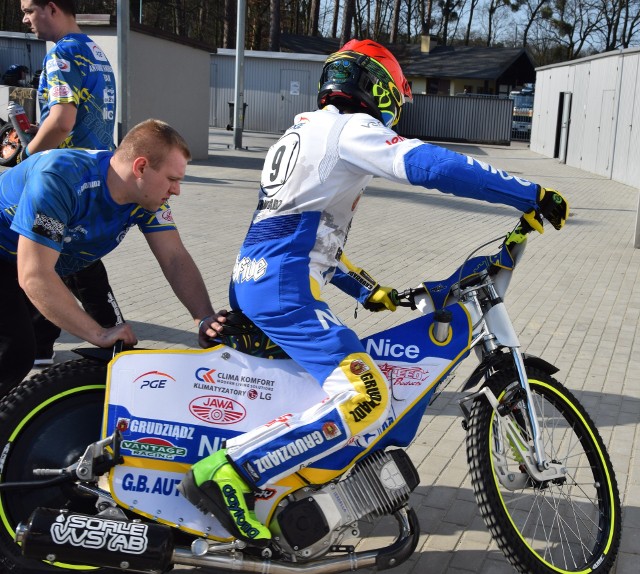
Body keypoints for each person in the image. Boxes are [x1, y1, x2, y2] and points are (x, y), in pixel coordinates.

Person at [178, 39, 569, 546]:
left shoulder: (299, 132)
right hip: (285, 289)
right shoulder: (349, 128)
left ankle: (305, 490)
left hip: (261, 277)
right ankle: (230, 472)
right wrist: (528, 192)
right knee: (366, 394)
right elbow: (433, 167)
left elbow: (305, 233)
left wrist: (369, 293)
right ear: (379, 90)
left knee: (324, 390)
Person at [0, 118, 226, 396]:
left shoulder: (147, 197)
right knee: (15, 352)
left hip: (69, 253)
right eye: (172, 180)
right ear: (140, 167)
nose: (177, 190)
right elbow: (34, 275)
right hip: (11, 256)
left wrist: (204, 317)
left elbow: (174, 257)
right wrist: (96, 334)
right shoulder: (60, 179)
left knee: (121, 346)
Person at [19, 0, 119, 365]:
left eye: (30, 10)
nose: (25, 19)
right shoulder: (95, 52)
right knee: (72, 259)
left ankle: (112, 341)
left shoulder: (62, 55)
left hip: (62, 177)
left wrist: (26, 154)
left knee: (46, 259)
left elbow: (62, 121)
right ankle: (48, 343)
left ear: (53, 8)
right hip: (94, 173)